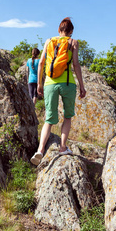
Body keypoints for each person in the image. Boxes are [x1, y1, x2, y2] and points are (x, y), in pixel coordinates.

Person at [30, 17, 86, 166]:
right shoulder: (73, 42)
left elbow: (41, 62)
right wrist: (82, 85)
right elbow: (75, 64)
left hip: (50, 83)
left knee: (49, 118)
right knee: (68, 116)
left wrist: (39, 84)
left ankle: (40, 150)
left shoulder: (49, 41)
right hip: (68, 83)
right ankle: (62, 147)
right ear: (71, 31)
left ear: (58, 30)